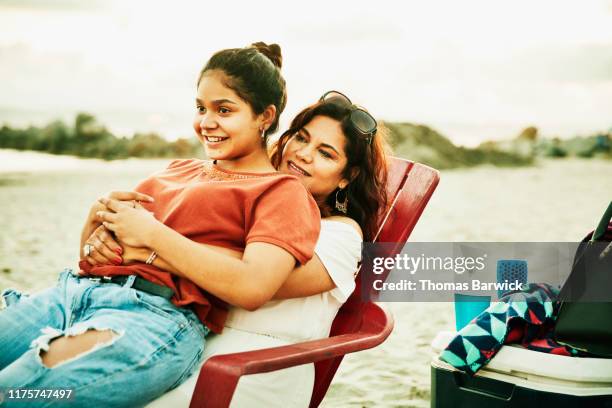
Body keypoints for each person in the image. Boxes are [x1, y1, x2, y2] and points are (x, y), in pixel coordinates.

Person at [0, 42, 322, 407]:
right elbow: (94, 256)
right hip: (74, 293)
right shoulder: (177, 170)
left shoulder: (280, 191)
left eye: (225, 110)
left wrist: (151, 236)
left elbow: (252, 286)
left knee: (15, 393)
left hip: (152, 319)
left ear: (265, 116)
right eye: (201, 108)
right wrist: (96, 220)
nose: (207, 122)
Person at [86, 90, 390, 407]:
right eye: (301, 138)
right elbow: (201, 254)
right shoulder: (250, 207)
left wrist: (149, 246)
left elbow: (256, 280)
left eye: (326, 154)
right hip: (184, 341)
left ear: (347, 177)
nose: (303, 154)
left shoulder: (341, 235)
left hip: (257, 369)